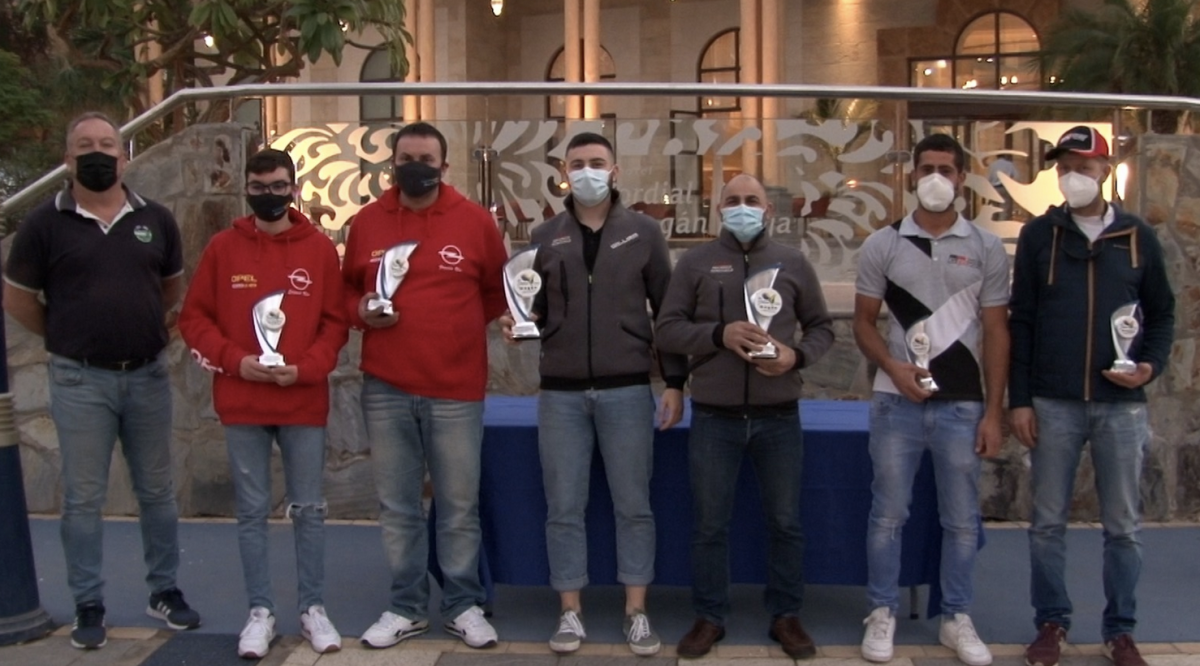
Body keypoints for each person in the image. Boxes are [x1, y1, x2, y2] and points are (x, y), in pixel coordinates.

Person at [2, 111, 201, 649]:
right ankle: (88, 601)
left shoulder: (155, 219)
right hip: (80, 381)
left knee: (157, 491)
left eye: (107, 145)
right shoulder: (44, 224)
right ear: (68, 160)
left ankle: (165, 590)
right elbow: (17, 299)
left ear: (124, 157)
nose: (98, 153)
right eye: (85, 146)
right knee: (84, 497)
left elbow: (168, 289)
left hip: (147, 377)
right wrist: (66, 335)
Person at [498, 132, 686, 656]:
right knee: (563, 507)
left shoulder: (644, 233)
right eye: (577, 163)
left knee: (634, 505)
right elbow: (534, 308)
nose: (587, 172)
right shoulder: (545, 235)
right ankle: (570, 612)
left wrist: (675, 382)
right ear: (564, 173)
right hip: (560, 393)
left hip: (627, 389)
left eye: (597, 162)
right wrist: (519, 323)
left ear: (615, 170)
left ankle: (636, 612)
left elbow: (668, 312)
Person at [1010, 126, 1175, 666]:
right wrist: (1020, 400)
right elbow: (1022, 321)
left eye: (1083, 166)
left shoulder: (1136, 236)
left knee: (1123, 527)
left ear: (1105, 170)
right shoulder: (1039, 236)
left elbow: (1162, 314)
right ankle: (1051, 623)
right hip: (1053, 403)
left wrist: (1147, 367)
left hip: (1120, 407)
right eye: (1064, 167)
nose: (1072, 176)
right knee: (1046, 525)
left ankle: (1120, 630)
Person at [342, 122, 508, 650]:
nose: (416, 167)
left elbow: (497, 292)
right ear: (392, 164)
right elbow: (346, 292)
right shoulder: (367, 222)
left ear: (444, 166)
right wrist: (362, 311)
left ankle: (463, 604)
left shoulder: (475, 222)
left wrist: (453, 333)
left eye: (426, 159)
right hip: (386, 388)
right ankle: (406, 607)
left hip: (456, 390)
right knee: (398, 508)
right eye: (406, 158)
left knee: (458, 506)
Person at [178, 149, 349, 658]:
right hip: (243, 400)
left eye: (278, 186)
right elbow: (195, 319)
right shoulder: (222, 248)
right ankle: (260, 611)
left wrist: (308, 368)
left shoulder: (319, 249)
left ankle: (313, 608)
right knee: (251, 511)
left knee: (310, 509)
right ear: (246, 188)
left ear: (293, 190)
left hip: (302, 399)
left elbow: (335, 322)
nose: (268, 195)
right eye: (258, 187)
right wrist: (235, 361)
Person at [656, 173, 834, 660]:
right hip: (715, 417)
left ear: (769, 210)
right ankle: (710, 616)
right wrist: (719, 334)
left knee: (786, 522)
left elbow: (822, 327)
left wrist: (796, 357)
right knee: (709, 525)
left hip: (779, 416)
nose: (742, 207)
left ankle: (786, 615)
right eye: (732, 200)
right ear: (719, 210)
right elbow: (667, 329)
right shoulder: (694, 263)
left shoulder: (793, 263)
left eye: (751, 200)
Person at [853, 134, 1010, 666]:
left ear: (962, 178)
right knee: (887, 515)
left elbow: (996, 330)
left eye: (946, 169)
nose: (936, 178)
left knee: (962, 521)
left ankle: (956, 617)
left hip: (963, 407)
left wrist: (993, 412)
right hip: (894, 404)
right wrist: (892, 367)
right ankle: (882, 611)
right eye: (927, 168)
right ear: (912, 175)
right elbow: (863, 322)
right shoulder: (884, 243)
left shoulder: (986, 247)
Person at [986, 155, 1018, 220]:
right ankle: (1002, 223)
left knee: (994, 209)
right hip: (1005, 188)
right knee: (1004, 210)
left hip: (994, 189)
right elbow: (1016, 176)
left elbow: (988, 178)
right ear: (1005, 156)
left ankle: (994, 224)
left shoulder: (993, 165)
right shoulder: (1009, 164)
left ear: (997, 156)